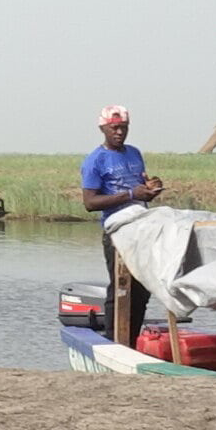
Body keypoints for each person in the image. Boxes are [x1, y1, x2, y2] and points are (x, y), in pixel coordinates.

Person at [79, 105, 168, 343]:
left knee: (142, 288)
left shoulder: (134, 153)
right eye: (114, 128)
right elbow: (90, 202)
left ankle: (131, 339)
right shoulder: (95, 161)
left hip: (141, 227)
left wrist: (150, 188)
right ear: (103, 129)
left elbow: (141, 184)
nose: (119, 132)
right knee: (120, 287)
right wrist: (130, 194)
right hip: (117, 231)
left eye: (124, 128)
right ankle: (112, 341)